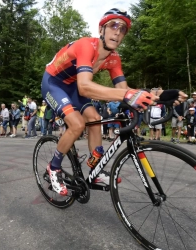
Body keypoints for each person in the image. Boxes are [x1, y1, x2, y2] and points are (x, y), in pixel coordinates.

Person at [41, 8, 187, 196]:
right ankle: (53, 167)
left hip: (75, 86)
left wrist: (159, 96)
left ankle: (96, 169)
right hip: (54, 83)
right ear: (101, 30)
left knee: (94, 117)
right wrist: (128, 96)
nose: (118, 32)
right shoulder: (86, 45)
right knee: (77, 124)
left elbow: (124, 91)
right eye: (113, 26)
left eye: (123, 29)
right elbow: (86, 87)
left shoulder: (114, 59)